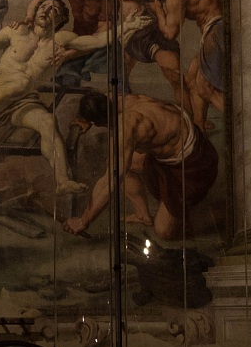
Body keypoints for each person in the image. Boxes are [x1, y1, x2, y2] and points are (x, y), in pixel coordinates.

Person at [0, 0, 145, 192]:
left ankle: (62, 180)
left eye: (53, 10)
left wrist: (127, 26)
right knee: (22, 82)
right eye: (43, 7)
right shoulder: (15, 31)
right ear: (35, 12)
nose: (46, 10)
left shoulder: (62, 40)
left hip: (22, 99)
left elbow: (96, 41)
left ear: (60, 20)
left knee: (47, 120)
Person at [63, 92, 219, 240]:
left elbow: (111, 180)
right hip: (173, 148)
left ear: (96, 123)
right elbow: (93, 104)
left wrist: (84, 220)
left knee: (164, 232)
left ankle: (220, 214)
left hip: (192, 165)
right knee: (119, 163)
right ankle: (142, 215)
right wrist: (85, 119)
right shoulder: (113, 99)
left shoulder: (127, 126)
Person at [130, 0, 226, 122]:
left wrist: (159, 11)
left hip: (215, 31)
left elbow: (169, 34)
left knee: (205, 88)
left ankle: (240, 120)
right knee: (191, 80)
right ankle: (198, 128)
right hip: (219, 27)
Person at [22, 0, 110, 88]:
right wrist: (29, 17)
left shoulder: (108, 1)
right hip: (76, 40)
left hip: (98, 46)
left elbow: (100, 37)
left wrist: (71, 53)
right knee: (66, 78)